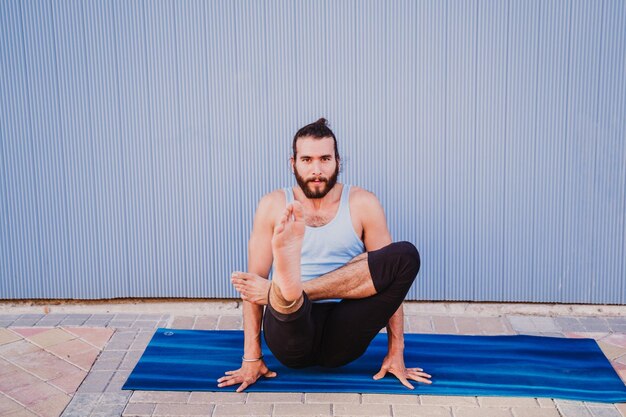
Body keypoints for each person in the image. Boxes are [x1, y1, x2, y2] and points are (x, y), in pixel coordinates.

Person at [217, 118, 431, 392]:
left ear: (338, 162)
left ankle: (290, 288)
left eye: (325, 159)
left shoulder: (362, 202)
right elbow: (252, 287)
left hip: (344, 328)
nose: (316, 170)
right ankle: (290, 293)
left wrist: (396, 352)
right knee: (287, 303)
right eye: (307, 159)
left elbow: (387, 280)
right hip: (290, 329)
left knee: (404, 255)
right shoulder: (273, 205)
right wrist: (251, 358)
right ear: (292, 163)